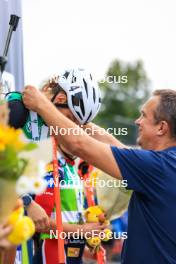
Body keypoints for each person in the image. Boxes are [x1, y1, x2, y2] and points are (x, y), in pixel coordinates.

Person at [23, 87, 176, 264]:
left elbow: (79, 144)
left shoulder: (157, 167)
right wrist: (76, 116)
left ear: (162, 127)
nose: (137, 121)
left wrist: (41, 103)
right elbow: (114, 146)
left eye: (143, 115)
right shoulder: (166, 164)